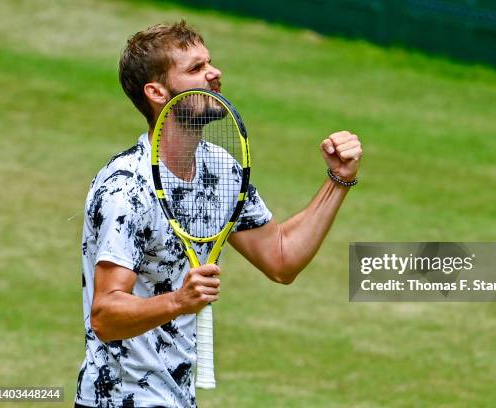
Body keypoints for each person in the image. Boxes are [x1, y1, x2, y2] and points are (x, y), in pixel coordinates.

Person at [75, 20, 362, 408]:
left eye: (209, 62)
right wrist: (180, 301)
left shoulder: (218, 168)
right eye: (195, 69)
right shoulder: (126, 189)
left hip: (177, 398)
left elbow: (281, 259)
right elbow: (105, 316)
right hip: (119, 401)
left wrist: (338, 180)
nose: (214, 73)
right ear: (157, 92)